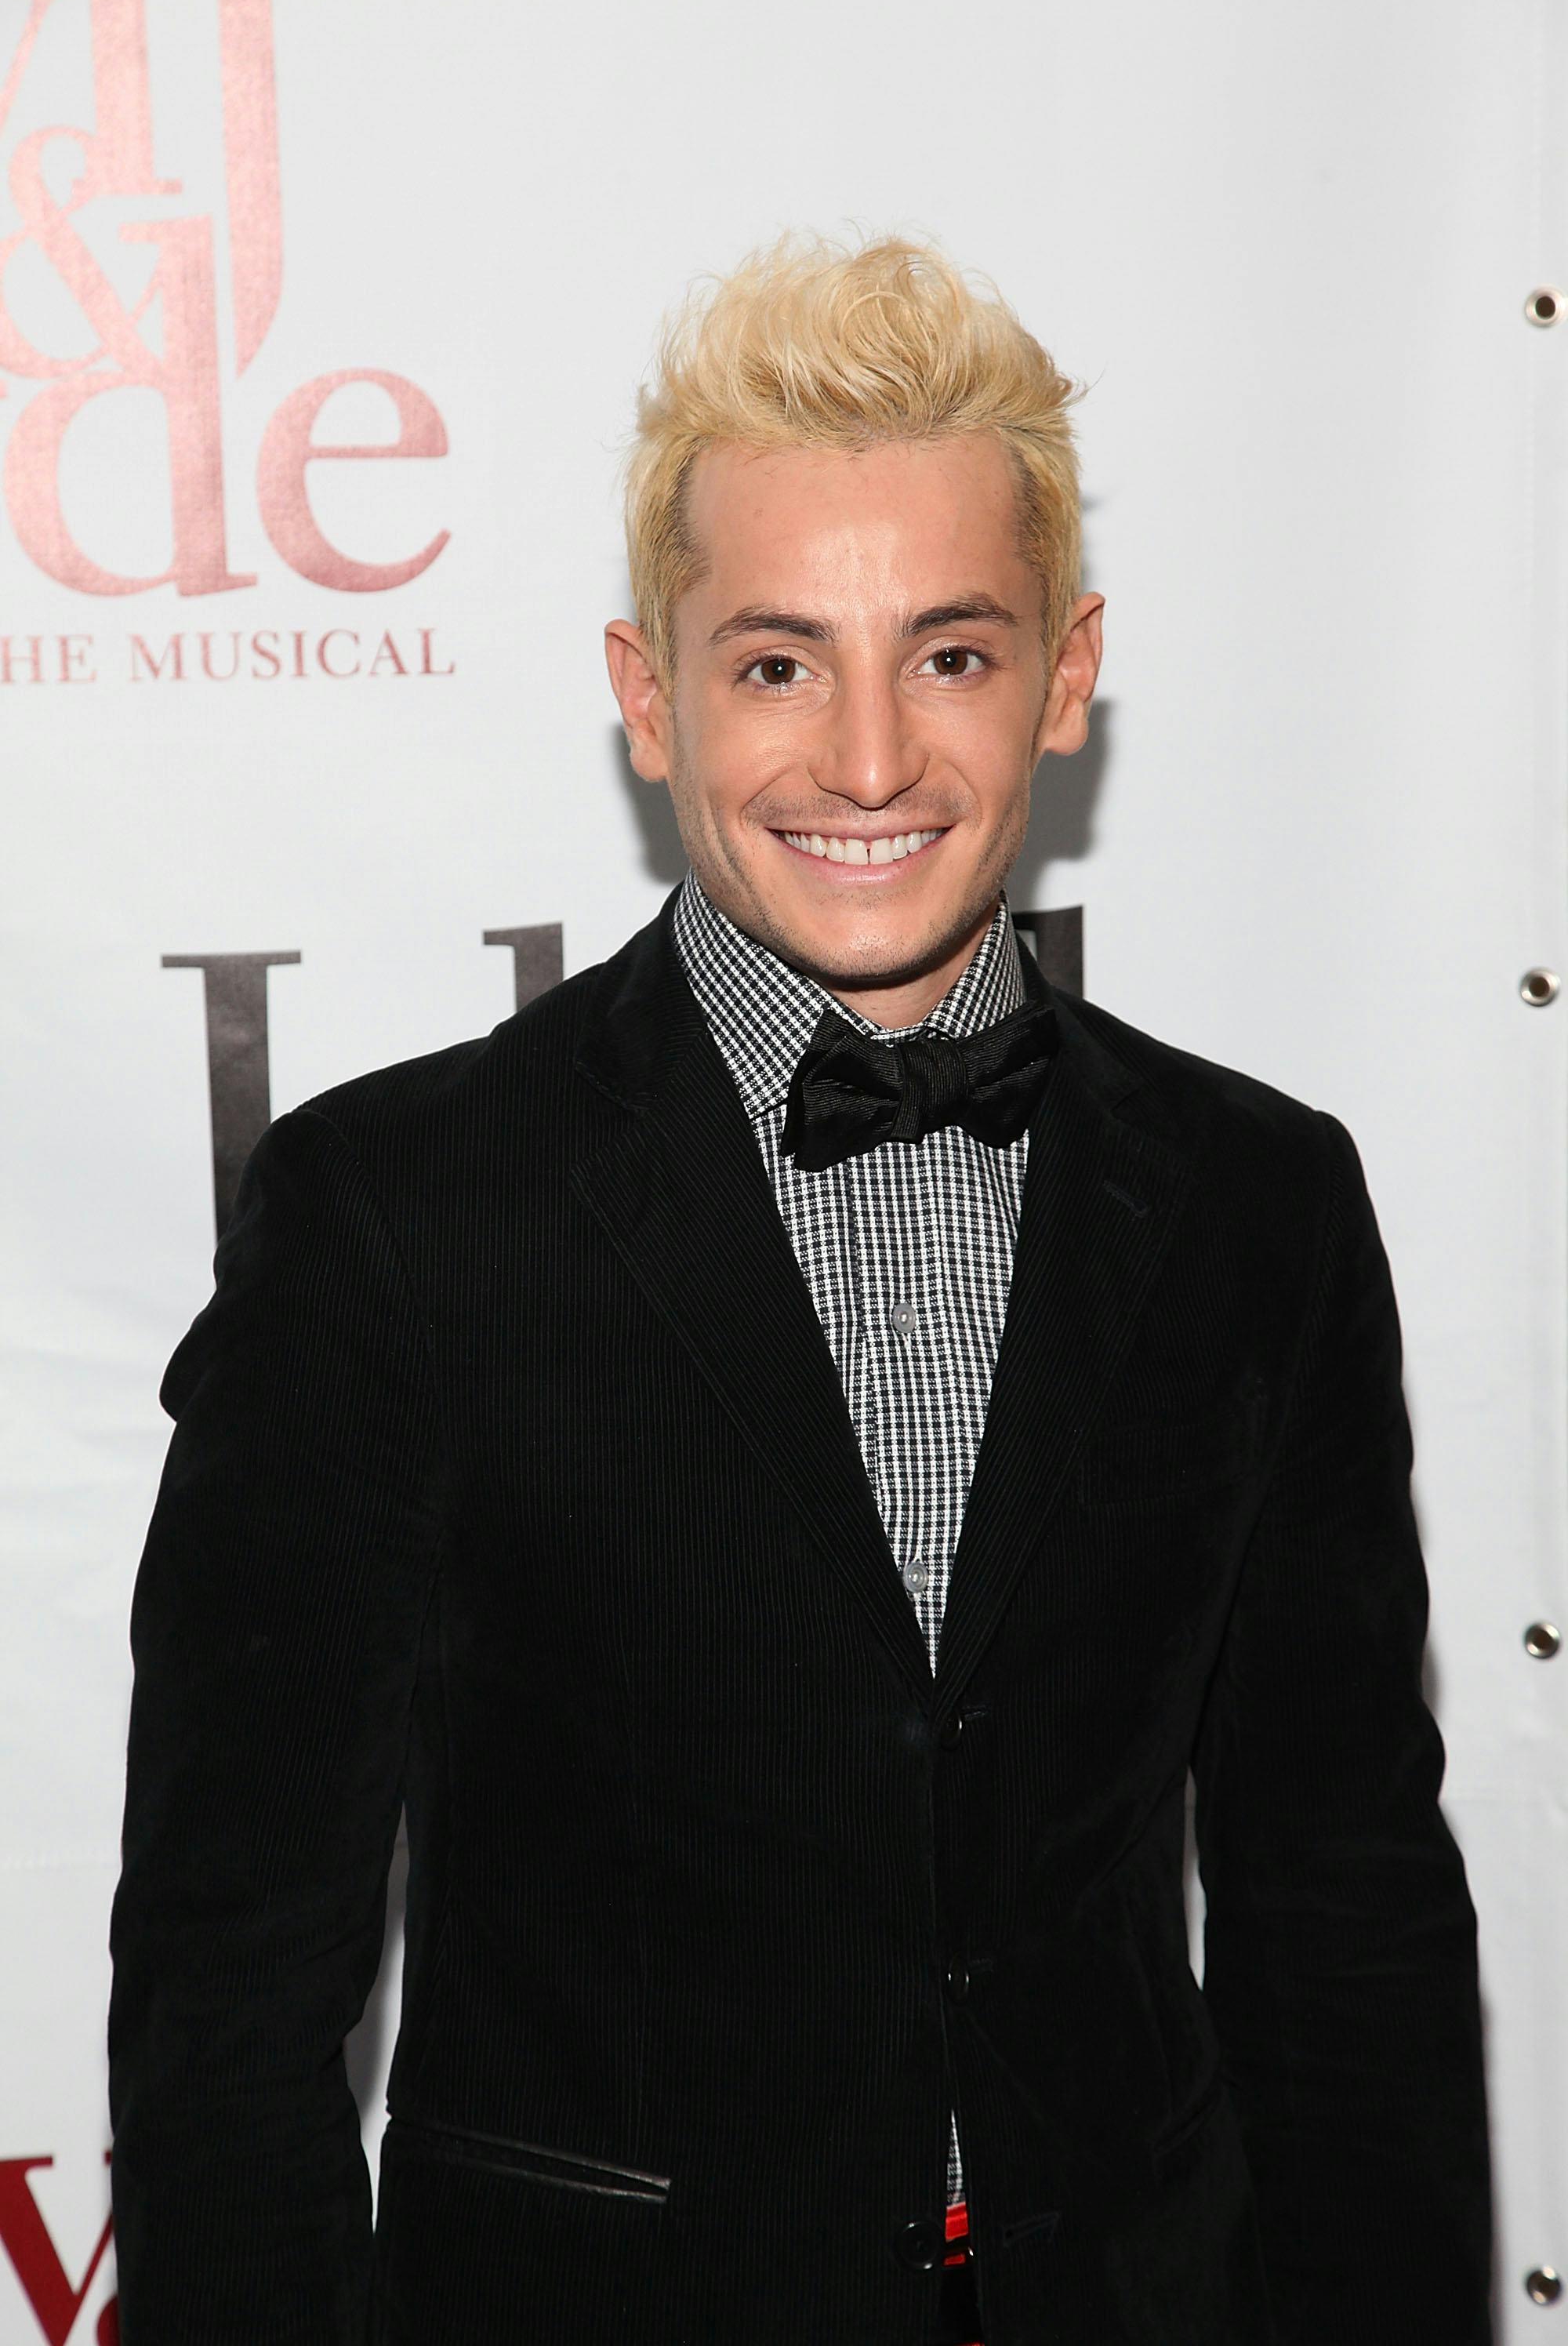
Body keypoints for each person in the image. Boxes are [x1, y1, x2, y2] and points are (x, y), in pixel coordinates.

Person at [107, 234, 1492, 2346]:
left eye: (949, 654)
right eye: (776, 664)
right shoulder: (395, 1217)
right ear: (646, 694)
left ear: (1066, 676)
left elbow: (1347, 1912)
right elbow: (230, 1994)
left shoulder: (1257, 1203)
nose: (866, 761)